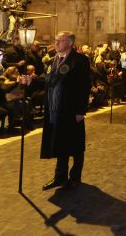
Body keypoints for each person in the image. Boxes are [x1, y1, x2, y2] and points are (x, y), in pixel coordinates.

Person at [41, 31, 91, 191]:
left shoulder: (80, 60)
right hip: (56, 110)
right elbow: (48, 83)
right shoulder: (52, 61)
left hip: (72, 109)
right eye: (56, 40)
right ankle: (60, 176)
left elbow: (84, 86)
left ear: (69, 43)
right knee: (60, 142)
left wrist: (81, 111)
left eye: (60, 40)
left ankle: (75, 176)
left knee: (76, 145)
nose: (56, 43)